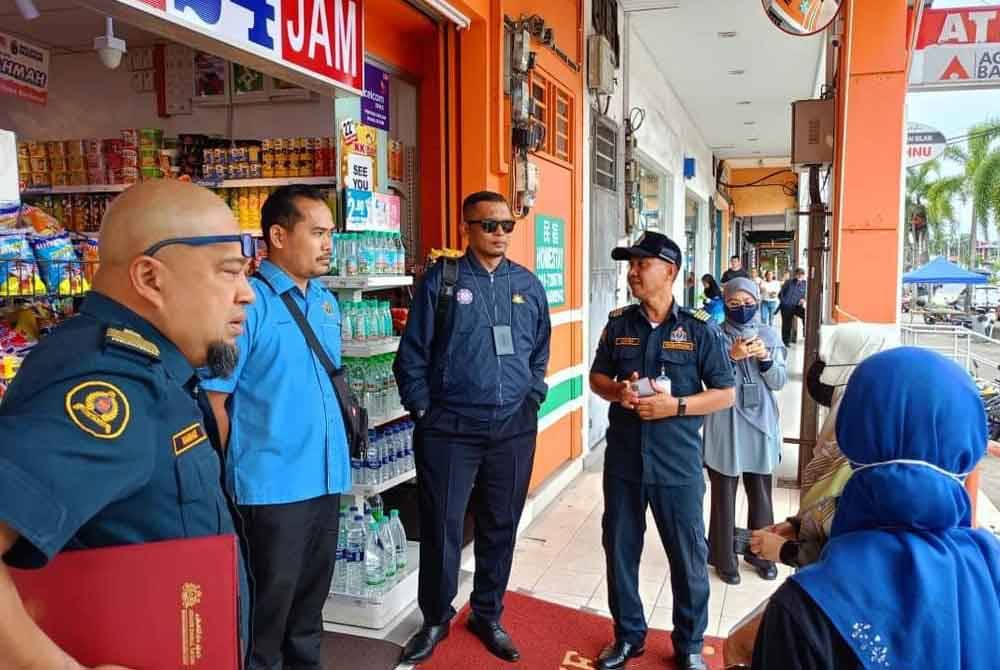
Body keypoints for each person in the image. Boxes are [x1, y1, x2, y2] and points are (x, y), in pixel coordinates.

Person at [0, 180, 255, 668]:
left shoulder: (154, 366)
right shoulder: (109, 386)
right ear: (149, 278)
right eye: (229, 272)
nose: (247, 294)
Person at [751, 348, 1000, 670]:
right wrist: (799, 527)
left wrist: (788, 552)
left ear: (852, 429)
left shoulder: (806, 605)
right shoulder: (990, 564)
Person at [393, 191, 551, 664]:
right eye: (489, 225)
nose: (500, 233)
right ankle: (436, 618)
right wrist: (424, 410)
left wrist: (533, 394)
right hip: (450, 428)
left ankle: (487, 612)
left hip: (513, 427)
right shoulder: (441, 282)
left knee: (501, 524)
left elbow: (539, 348)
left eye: (507, 225)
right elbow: (412, 355)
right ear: (467, 228)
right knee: (442, 525)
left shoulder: (527, 284)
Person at [203, 185, 347, 670]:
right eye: (318, 232)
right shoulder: (248, 305)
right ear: (279, 235)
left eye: (331, 233)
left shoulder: (326, 302)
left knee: (309, 609)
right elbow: (215, 401)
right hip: (270, 489)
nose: (329, 243)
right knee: (266, 614)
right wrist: (218, 483)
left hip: (326, 479)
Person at [589, 231, 736, 670]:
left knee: (689, 559)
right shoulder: (618, 325)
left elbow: (725, 393)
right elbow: (597, 378)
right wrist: (617, 392)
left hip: (678, 466)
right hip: (624, 464)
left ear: (669, 271)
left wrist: (677, 406)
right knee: (619, 552)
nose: (632, 272)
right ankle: (628, 637)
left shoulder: (698, 331)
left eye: (641, 264)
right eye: (630, 264)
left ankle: (689, 645)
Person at [722, 323, 898, 667]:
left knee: (744, 647)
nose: (816, 368)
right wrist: (797, 524)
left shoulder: (870, 440)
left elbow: (862, 552)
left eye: (828, 358)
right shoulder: (854, 414)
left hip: (842, 601)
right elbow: (833, 505)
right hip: (826, 583)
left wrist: (788, 550)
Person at [703, 278, 787, 586]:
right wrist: (732, 357)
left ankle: (761, 554)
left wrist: (765, 358)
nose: (742, 309)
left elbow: (779, 381)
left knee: (761, 490)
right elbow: (706, 379)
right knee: (724, 490)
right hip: (726, 418)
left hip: (760, 419)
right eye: (734, 303)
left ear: (757, 301)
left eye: (748, 302)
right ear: (725, 303)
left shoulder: (770, 335)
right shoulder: (713, 335)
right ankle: (724, 558)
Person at [778, 268, 807, 347]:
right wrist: (784, 302)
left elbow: (806, 294)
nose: (800, 276)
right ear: (795, 274)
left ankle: (806, 334)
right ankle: (785, 342)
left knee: (806, 315)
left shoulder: (805, 284)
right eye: (798, 274)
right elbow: (780, 294)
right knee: (787, 324)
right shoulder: (789, 282)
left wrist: (803, 299)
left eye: (801, 274)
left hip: (796, 306)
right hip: (786, 307)